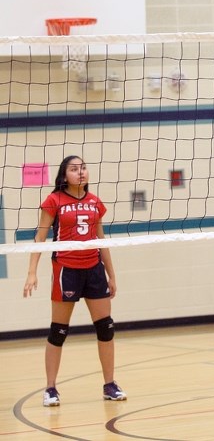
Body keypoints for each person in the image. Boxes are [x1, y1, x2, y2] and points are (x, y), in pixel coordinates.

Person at [22, 155, 126, 407]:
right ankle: (50, 389)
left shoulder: (94, 202)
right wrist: (32, 271)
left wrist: (111, 274)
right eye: (74, 169)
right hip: (65, 270)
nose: (81, 172)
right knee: (58, 331)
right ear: (63, 176)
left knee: (106, 327)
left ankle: (109, 384)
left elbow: (101, 239)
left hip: (94, 269)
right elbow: (40, 236)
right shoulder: (54, 201)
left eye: (83, 168)